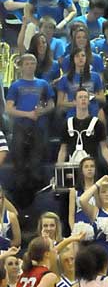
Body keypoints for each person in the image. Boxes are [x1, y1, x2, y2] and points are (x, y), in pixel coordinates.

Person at [5, 54, 55, 209]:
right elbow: (9, 109)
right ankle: (20, 206)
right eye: (27, 63)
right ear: (21, 66)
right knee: (19, 166)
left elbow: (51, 104)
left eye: (32, 63)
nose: (30, 65)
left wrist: (41, 111)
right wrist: (28, 114)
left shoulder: (43, 84)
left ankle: (36, 204)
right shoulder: (16, 85)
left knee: (36, 167)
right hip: (20, 127)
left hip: (38, 129)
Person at [57, 88, 108, 176]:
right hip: (73, 166)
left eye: (86, 97)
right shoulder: (67, 124)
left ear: (89, 101)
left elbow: (104, 148)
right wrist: (59, 168)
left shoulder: (97, 123)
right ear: (74, 101)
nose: (83, 99)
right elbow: (63, 150)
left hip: (92, 167)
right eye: (80, 97)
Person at [57, 48, 105, 119]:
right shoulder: (65, 78)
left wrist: (93, 96)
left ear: (86, 58)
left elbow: (103, 98)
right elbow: (59, 102)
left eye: (83, 55)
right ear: (73, 59)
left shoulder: (95, 76)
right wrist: (73, 104)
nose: (80, 58)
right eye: (77, 56)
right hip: (73, 115)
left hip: (92, 113)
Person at [69, 157, 97, 230]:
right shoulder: (74, 191)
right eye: (86, 167)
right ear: (81, 170)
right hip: (80, 227)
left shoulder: (100, 189)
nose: (89, 169)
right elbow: (71, 216)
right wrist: (73, 231)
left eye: (92, 166)